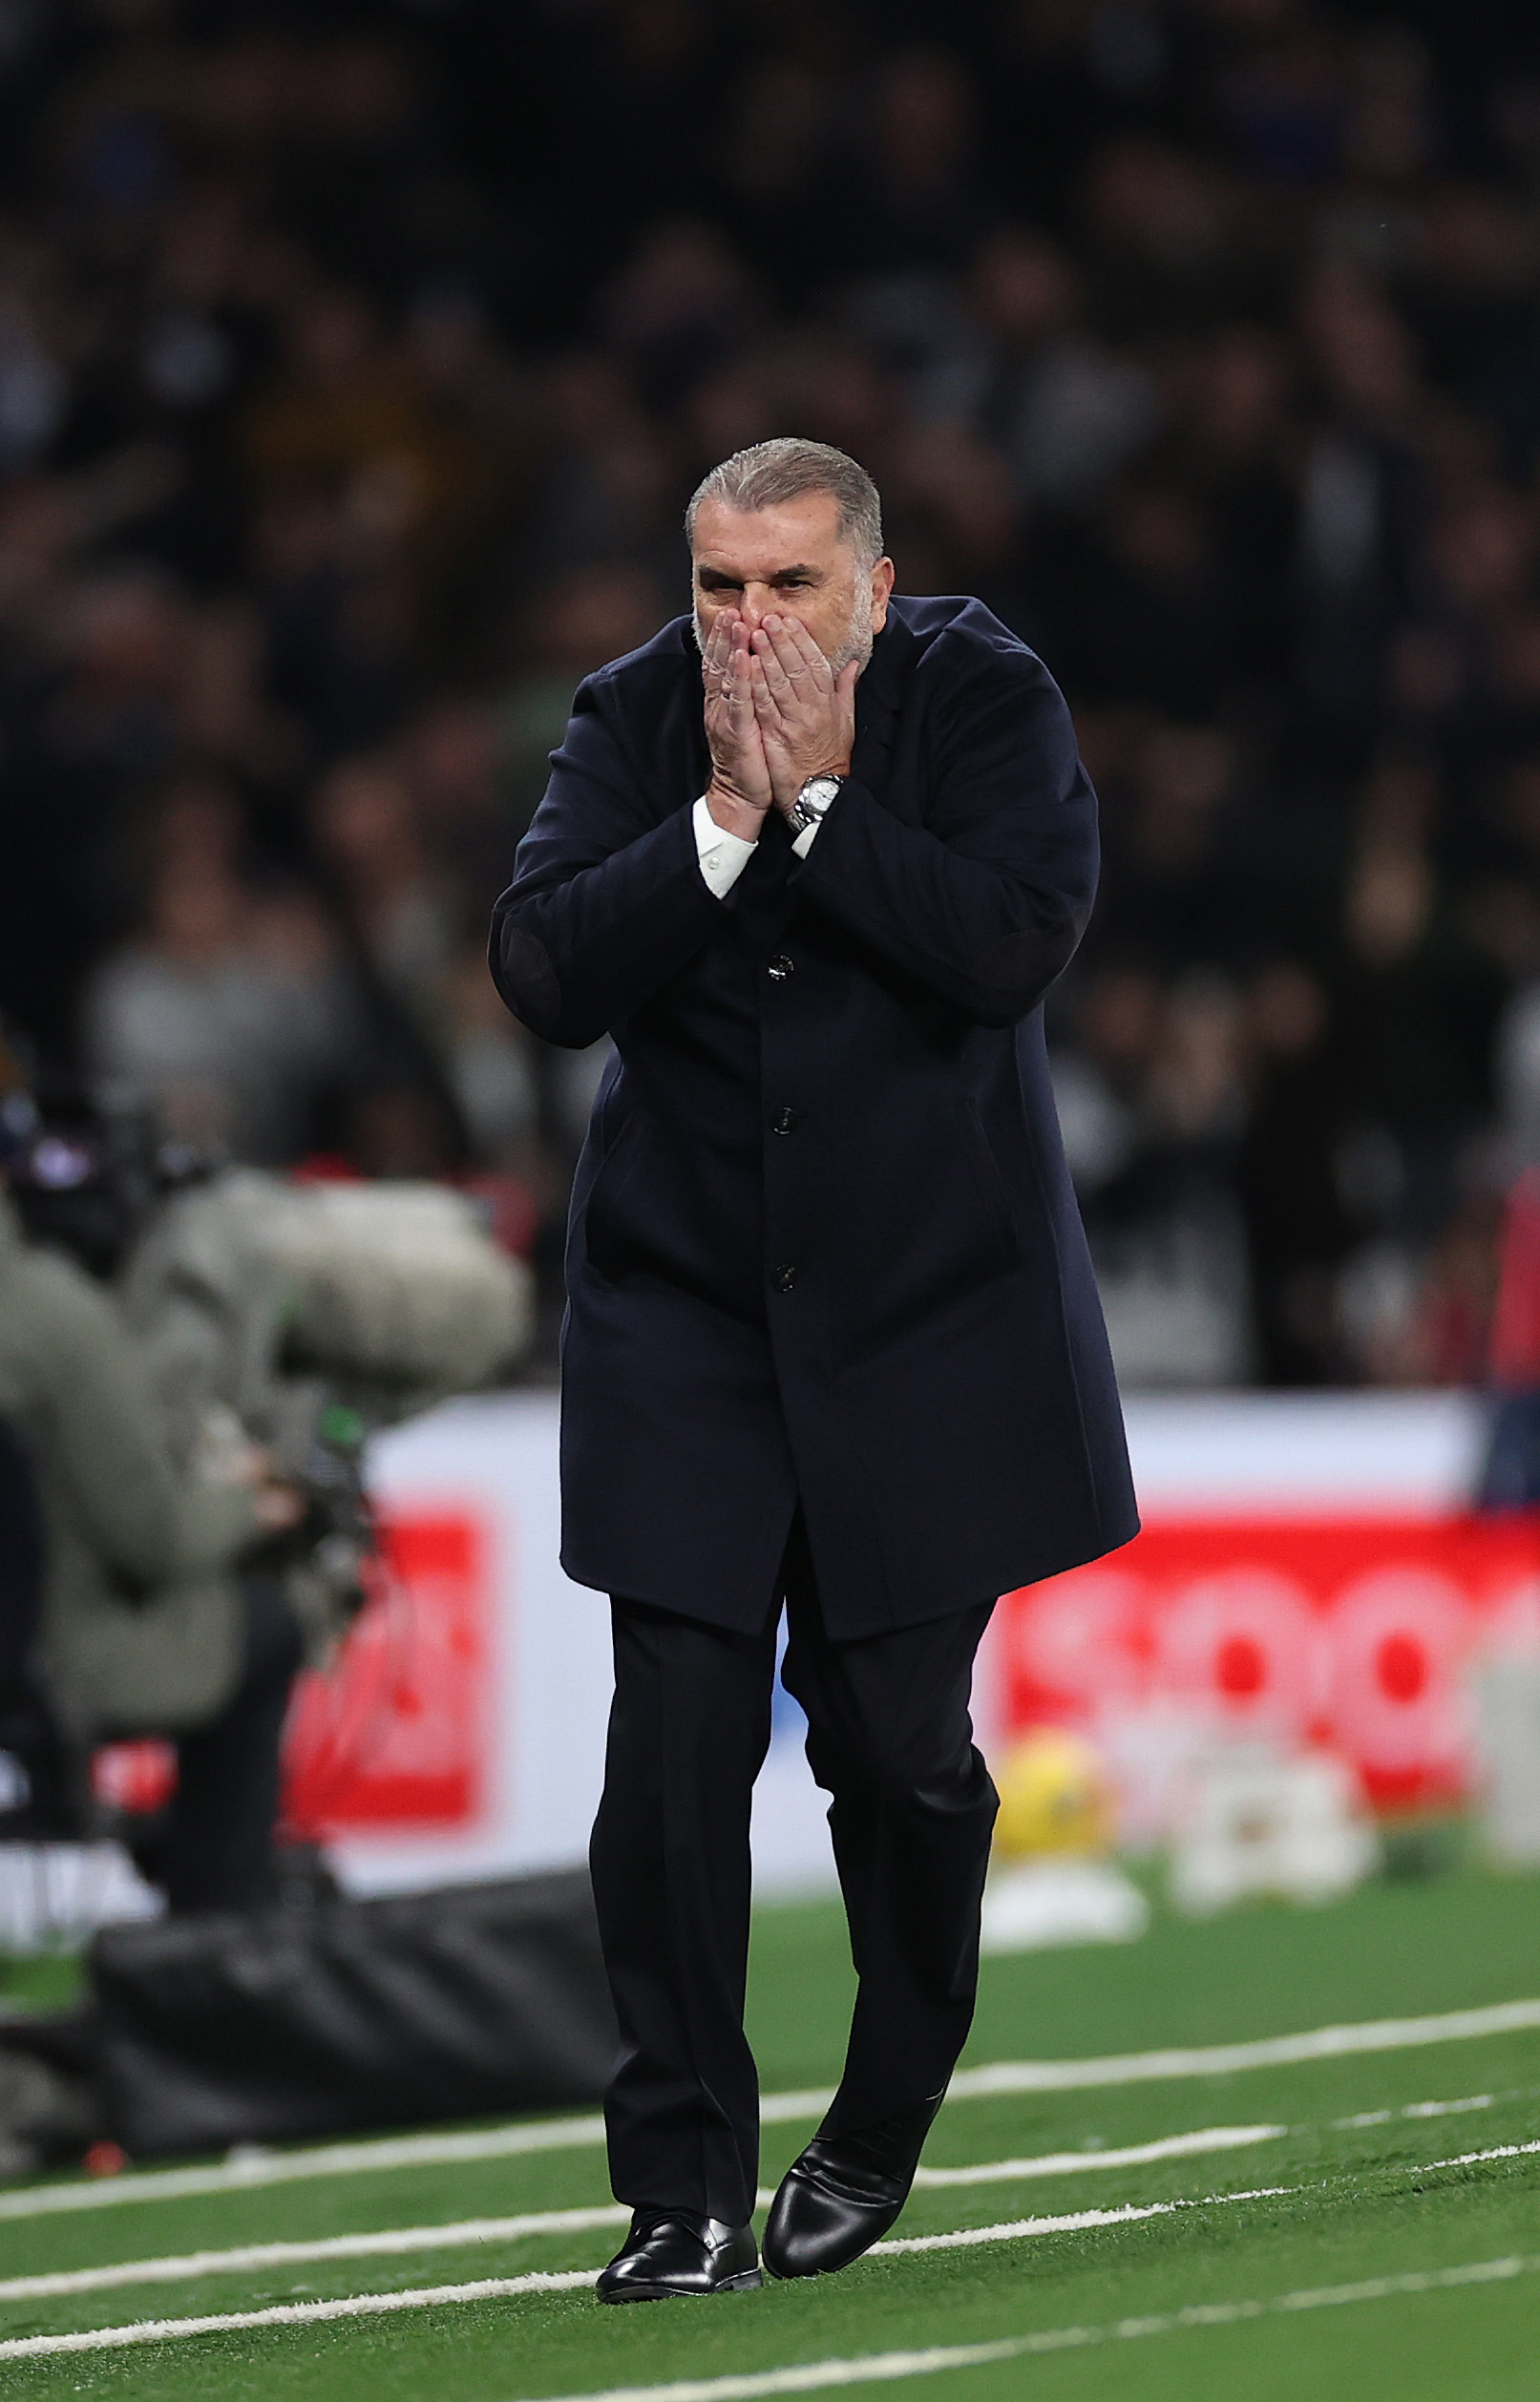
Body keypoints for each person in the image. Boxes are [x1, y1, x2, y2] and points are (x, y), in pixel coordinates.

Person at [490, 437, 1137, 2301]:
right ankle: (677, 2183)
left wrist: (830, 811)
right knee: (675, 1751)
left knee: (895, 1753)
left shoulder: (983, 693)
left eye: (785, 586)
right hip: (685, 1316)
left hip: (923, 1318)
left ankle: (877, 2116)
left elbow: (1011, 944)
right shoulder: (631, 724)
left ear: (870, 585)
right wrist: (712, 825)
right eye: (714, 586)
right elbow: (537, 965)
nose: (745, 624)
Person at [0, 1114, 307, 1913]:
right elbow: (157, 1539)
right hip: (47, 1667)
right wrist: (251, 1504)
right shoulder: (50, 1317)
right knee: (272, 1625)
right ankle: (216, 1932)